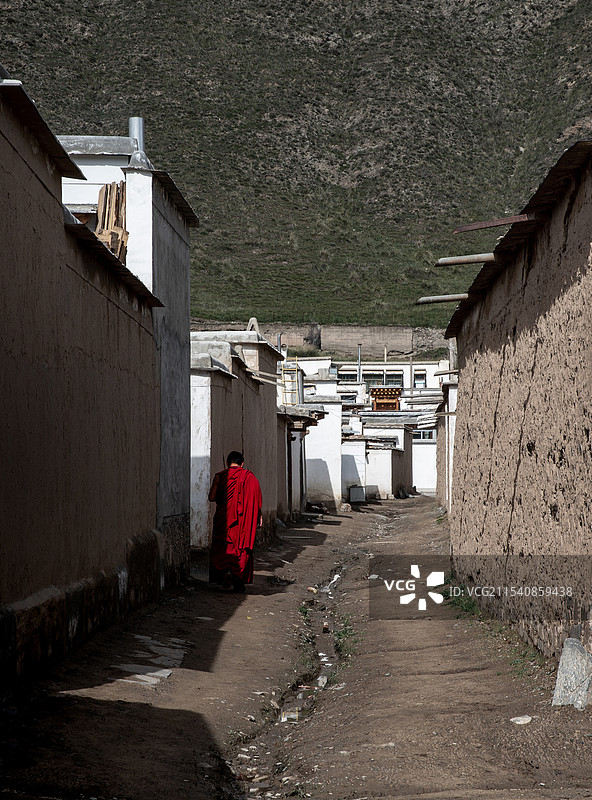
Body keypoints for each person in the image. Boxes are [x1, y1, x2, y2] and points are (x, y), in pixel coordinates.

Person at [208, 451, 262, 592]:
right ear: (242, 463)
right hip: (242, 523)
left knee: (223, 546)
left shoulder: (220, 476)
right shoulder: (250, 478)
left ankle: (225, 573)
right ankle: (238, 575)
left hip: (223, 519)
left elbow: (212, 497)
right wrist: (258, 516)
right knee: (240, 547)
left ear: (227, 462)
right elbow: (255, 501)